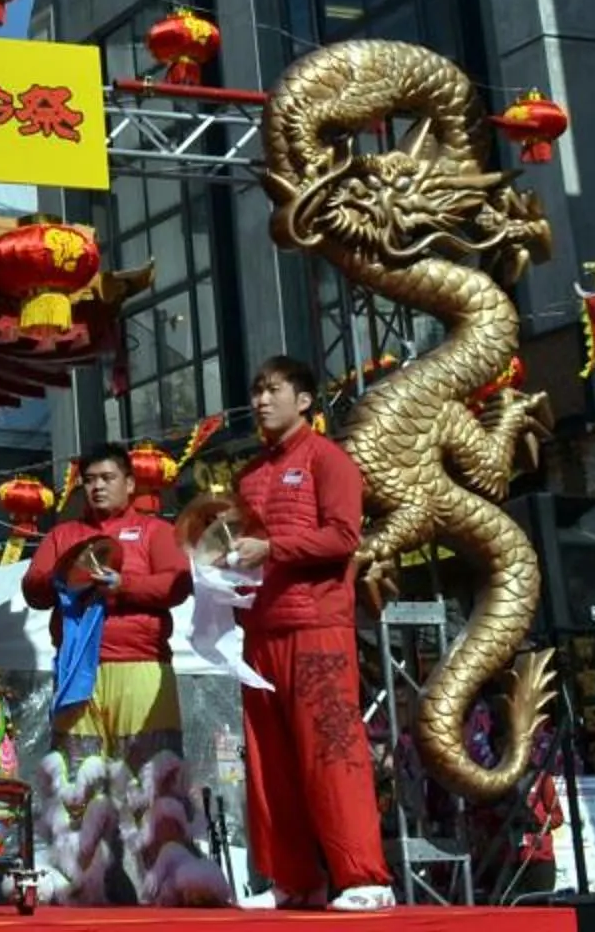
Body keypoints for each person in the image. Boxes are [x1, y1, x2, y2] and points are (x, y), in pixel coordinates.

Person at [226, 356, 391, 912]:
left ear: (304, 400)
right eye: (256, 391)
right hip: (260, 631)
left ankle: (365, 877)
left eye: (272, 390)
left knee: (331, 752)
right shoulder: (247, 476)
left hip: (318, 627)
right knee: (269, 762)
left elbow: (344, 538)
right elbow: (239, 550)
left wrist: (273, 549)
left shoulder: (331, 462)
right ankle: (295, 880)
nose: (261, 401)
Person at [24, 443, 190, 776]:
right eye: (89, 480)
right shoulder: (63, 535)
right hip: (76, 669)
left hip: (140, 665)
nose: (97, 486)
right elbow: (33, 590)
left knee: (149, 780)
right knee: (77, 783)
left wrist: (124, 585)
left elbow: (178, 585)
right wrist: (62, 576)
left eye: (107, 477)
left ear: (129, 484)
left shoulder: (155, 531)